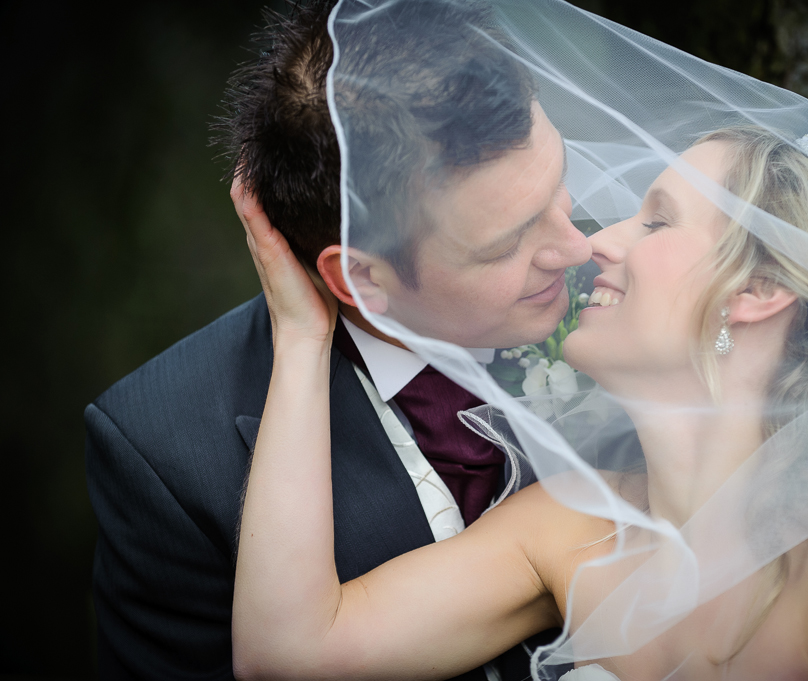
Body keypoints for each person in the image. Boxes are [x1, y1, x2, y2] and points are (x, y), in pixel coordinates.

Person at [231, 1, 808, 679]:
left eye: (656, 219)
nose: (594, 242)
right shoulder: (567, 526)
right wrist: (303, 335)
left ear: (758, 291)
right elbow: (288, 653)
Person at [84, 0, 588, 677]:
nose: (578, 245)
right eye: (506, 243)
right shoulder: (165, 453)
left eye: (558, 187)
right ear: (360, 277)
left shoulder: (652, 295)